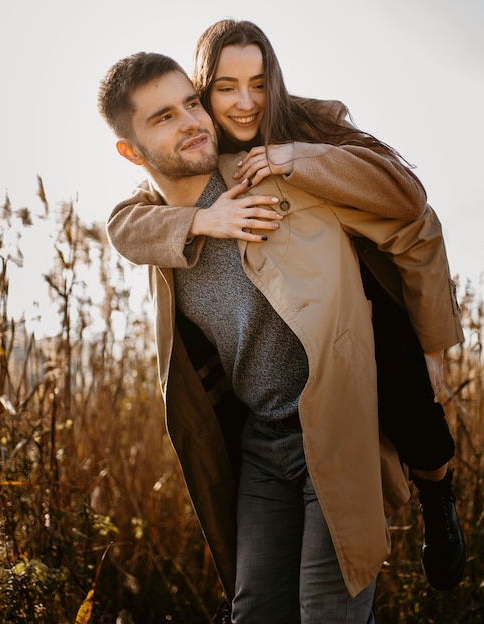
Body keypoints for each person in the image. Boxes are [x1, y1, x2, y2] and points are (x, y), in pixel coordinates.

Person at [97, 53, 460, 624]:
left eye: (192, 103)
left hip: (336, 429)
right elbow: (120, 226)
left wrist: (434, 344)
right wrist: (200, 221)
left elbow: (413, 221)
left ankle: (439, 493)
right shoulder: (159, 234)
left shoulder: (269, 177)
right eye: (163, 117)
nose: (193, 121)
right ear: (131, 151)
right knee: (256, 613)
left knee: (328, 614)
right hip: (262, 445)